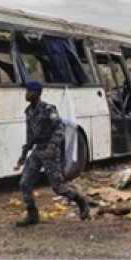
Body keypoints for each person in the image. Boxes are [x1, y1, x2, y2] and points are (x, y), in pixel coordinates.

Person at [15, 81, 90, 227]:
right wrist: (23, 155)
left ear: (37, 93)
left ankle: (81, 201)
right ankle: (32, 215)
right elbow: (30, 135)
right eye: (27, 91)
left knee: (58, 187)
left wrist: (53, 145)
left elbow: (60, 129)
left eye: (29, 91)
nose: (27, 94)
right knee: (24, 183)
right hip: (38, 149)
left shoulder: (49, 109)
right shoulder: (28, 112)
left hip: (50, 150)